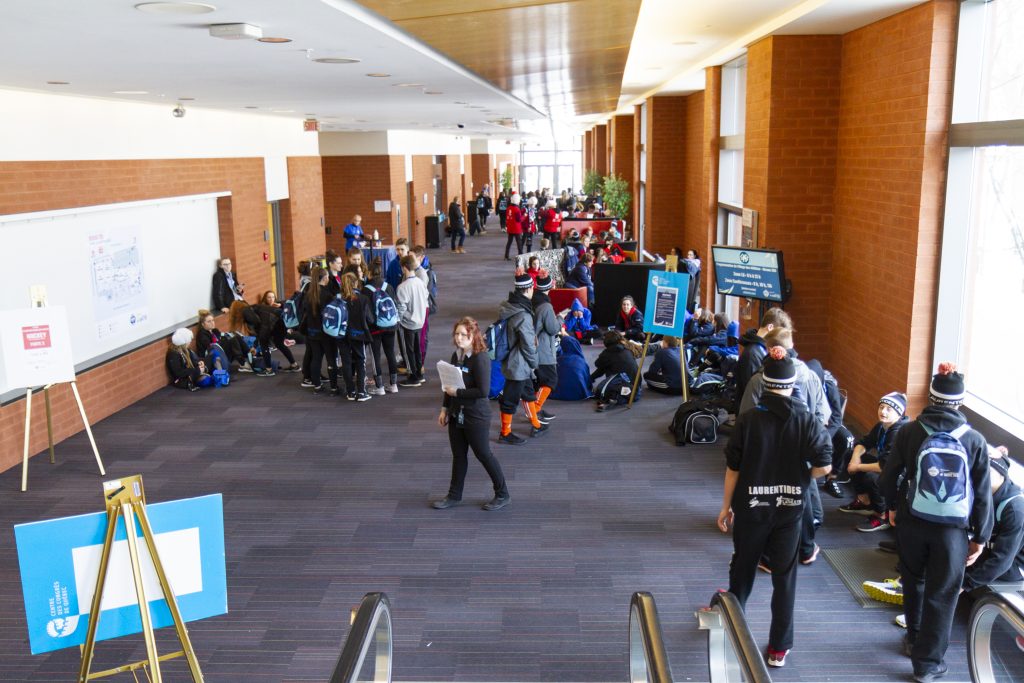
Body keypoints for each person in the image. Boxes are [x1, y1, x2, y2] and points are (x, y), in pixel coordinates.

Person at [717, 346, 832, 669]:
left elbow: (733, 468)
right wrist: (801, 475)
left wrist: (726, 506)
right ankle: (779, 647)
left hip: (752, 507)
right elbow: (824, 467)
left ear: (764, 385)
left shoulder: (749, 420)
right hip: (790, 510)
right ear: (793, 384)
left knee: (742, 570)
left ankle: (730, 624)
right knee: (785, 578)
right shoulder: (807, 420)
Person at [880, 362, 992, 683]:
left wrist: (891, 507)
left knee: (913, 579)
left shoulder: (910, 430)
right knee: (943, 592)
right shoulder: (974, 440)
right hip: (952, 531)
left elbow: (889, 477)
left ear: (930, 397)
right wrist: (980, 537)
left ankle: (913, 637)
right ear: (960, 401)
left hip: (912, 521)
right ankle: (928, 664)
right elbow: (983, 495)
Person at [432, 317, 511, 512]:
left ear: (473, 336)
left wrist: (457, 393)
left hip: (476, 415)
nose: (459, 338)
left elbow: (483, 391)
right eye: (456, 334)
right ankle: (454, 495)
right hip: (456, 412)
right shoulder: (456, 355)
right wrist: (444, 409)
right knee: (459, 456)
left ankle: (502, 493)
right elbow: (448, 385)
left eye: (463, 335)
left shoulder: (480, 358)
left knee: (483, 454)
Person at [838, 392, 910, 532]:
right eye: (881, 407)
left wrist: (857, 467)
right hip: (885, 466)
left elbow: (884, 467)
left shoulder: (898, 432)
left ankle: (882, 514)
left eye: (889, 409)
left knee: (872, 478)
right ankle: (865, 501)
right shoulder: (882, 426)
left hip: (900, 476)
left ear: (899, 413)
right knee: (850, 454)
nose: (883, 411)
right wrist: (854, 458)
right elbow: (863, 443)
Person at [496, 269, 544, 444]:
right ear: (529, 289)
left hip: (514, 359)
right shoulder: (523, 314)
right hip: (518, 364)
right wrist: (535, 364)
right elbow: (528, 344)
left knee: (528, 392)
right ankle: (505, 433)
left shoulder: (510, 305)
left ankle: (536, 423)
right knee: (510, 398)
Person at [734, 307, 793, 411]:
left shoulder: (758, 350)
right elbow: (752, 390)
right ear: (770, 327)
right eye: (778, 332)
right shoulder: (752, 354)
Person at [301, 266, 340, 395]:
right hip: (326, 333)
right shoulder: (327, 295)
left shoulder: (308, 294)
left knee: (316, 358)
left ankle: (317, 386)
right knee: (331, 359)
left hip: (312, 332)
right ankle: (334, 387)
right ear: (325, 278)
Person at [529, 271, 561, 425]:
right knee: (550, 380)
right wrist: (560, 319)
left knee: (540, 381)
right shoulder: (546, 306)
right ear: (549, 287)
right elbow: (553, 329)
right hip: (544, 351)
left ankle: (536, 409)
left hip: (534, 349)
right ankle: (535, 409)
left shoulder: (531, 301)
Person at [366, 258, 400, 395]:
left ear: (369, 273)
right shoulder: (389, 287)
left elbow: (366, 312)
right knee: (390, 353)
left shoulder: (366, 290)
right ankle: (394, 384)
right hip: (390, 325)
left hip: (375, 328)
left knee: (376, 356)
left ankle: (379, 387)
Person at [396, 254, 429, 387]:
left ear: (404, 268)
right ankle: (419, 374)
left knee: (408, 350)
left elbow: (401, 307)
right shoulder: (421, 282)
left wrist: (397, 320)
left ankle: (413, 376)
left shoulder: (403, 287)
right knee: (417, 349)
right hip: (420, 321)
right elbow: (426, 296)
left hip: (408, 323)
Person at [339, 272, 373, 401]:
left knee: (346, 362)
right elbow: (370, 319)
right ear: (356, 283)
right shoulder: (363, 299)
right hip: (358, 335)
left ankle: (350, 392)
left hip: (342, 335)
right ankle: (362, 392)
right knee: (360, 361)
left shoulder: (339, 298)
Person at [590, 330, 639, 412]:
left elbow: (598, 364)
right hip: (637, 387)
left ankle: (612, 398)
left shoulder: (607, 353)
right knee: (608, 364)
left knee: (600, 390)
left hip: (623, 383)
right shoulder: (627, 349)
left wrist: (590, 378)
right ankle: (618, 396)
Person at [504, 194, 524, 260]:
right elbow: (519, 219)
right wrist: (525, 216)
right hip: (516, 228)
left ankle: (506, 255)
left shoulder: (508, 208)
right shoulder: (517, 209)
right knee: (519, 243)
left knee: (509, 242)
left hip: (510, 227)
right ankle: (520, 256)